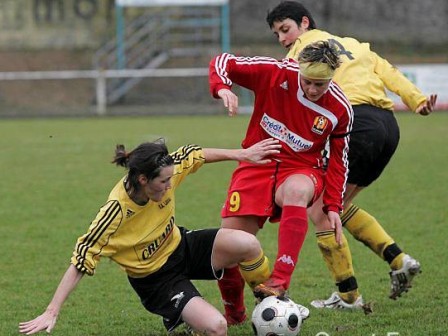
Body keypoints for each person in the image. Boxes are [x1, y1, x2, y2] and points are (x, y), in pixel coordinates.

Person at [265, 0, 437, 309]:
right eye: (277, 34)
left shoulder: (304, 52)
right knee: (336, 208)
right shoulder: (357, 46)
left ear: (304, 24)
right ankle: (398, 260)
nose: (282, 39)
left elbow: (288, 91)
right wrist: (418, 100)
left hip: (353, 125)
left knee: (320, 210)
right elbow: (391, 74)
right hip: (387, 128)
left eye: (285, 29)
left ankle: (348, 296)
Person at [18, 137, 283, 335]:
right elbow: (80, 261)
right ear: (143, 180)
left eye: (171, 179)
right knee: (216, 327)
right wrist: (51, 311)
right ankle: (180, 318)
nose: (169, 186)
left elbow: (195, 154)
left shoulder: (163, 170)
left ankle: (272, 303)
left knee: (247, 243)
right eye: (163, 182)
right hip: (156, 280)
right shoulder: (115, 213)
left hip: (180, 246)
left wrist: (243, 153)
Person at [209, 40, 353, 324]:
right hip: (256, 161)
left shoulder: (339, 109)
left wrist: (333, 205)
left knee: (297, 192)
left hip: (301, 168)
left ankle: (280, 281)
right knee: (228, 247)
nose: (313, 90)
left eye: (320, 85)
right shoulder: (274, 72)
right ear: (299, 70)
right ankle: (235, 314)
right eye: (308, 82)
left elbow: (338, 162)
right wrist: (223, 87)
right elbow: (222, 61)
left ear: (331, 78)